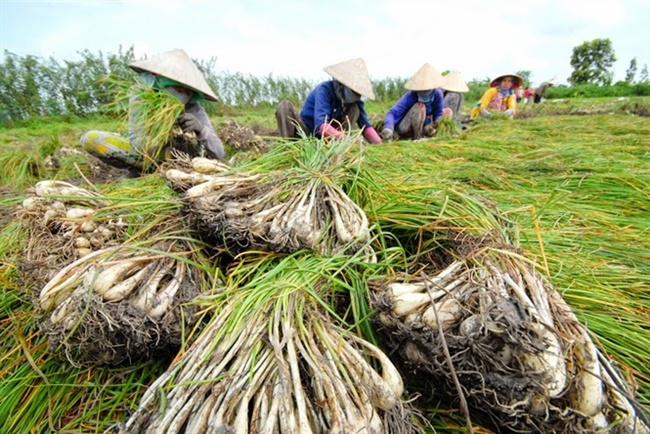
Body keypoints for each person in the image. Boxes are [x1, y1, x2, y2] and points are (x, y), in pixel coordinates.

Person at [81, 49, 224, 173]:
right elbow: (138, 144)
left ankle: (178, 171)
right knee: (91, 139)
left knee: (182, 141)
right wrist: (162, 130)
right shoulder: (140, 97)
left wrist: (201, 129)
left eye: (187, 92)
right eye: (178, 89)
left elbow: (219, 152)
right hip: (148, 156)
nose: (182, 95)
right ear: (162, 84)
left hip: (184, 159)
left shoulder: (193, 107)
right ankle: (140, 170)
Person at [275, 58, 381, 144]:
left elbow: (366, 126)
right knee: (284, 107)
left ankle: (339, 149)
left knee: (355, 109)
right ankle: (289, 146)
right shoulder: (324, 90)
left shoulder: (355, 102)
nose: (357, 96)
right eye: (354, 91)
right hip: (307, 133)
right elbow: (321, 126)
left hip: (330, 140)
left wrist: (379, 145)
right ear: (343, 85)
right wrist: (349, 140)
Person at [381, 63, 448, 141]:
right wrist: (388, 128)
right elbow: (392, 113)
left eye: (427, 90)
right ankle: (417, 137)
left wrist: (434, 126)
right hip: (405, 127)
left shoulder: (437, 94)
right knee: (420, 106)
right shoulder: (411, 95)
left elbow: (438, 114)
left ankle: (426, 134)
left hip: (425, 124)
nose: (424, 92)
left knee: (447, 112)